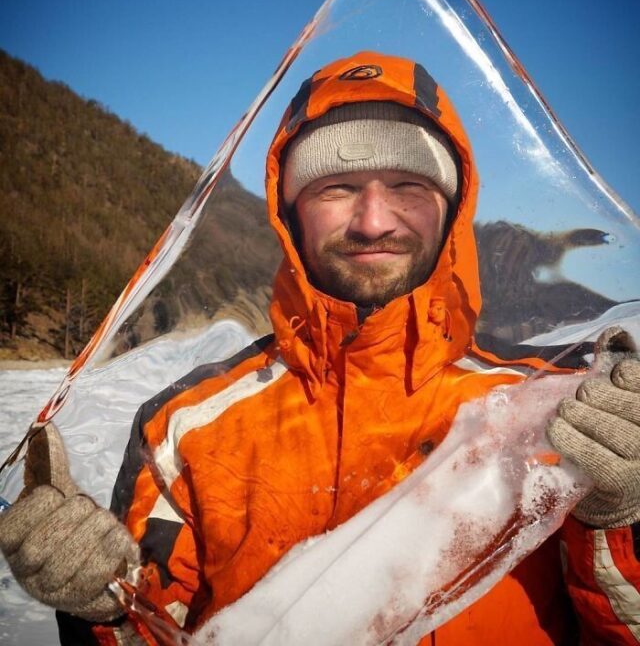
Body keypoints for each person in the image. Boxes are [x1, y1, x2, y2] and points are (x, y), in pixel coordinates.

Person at [1, 52, 639, 645]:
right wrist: (102, 605)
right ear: (289, 209)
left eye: (408, 186)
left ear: (451, 208)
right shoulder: (185, 425)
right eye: (336, 187)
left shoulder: (554, 408)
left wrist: (620, 517)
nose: (372, 220)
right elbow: (149, 629)